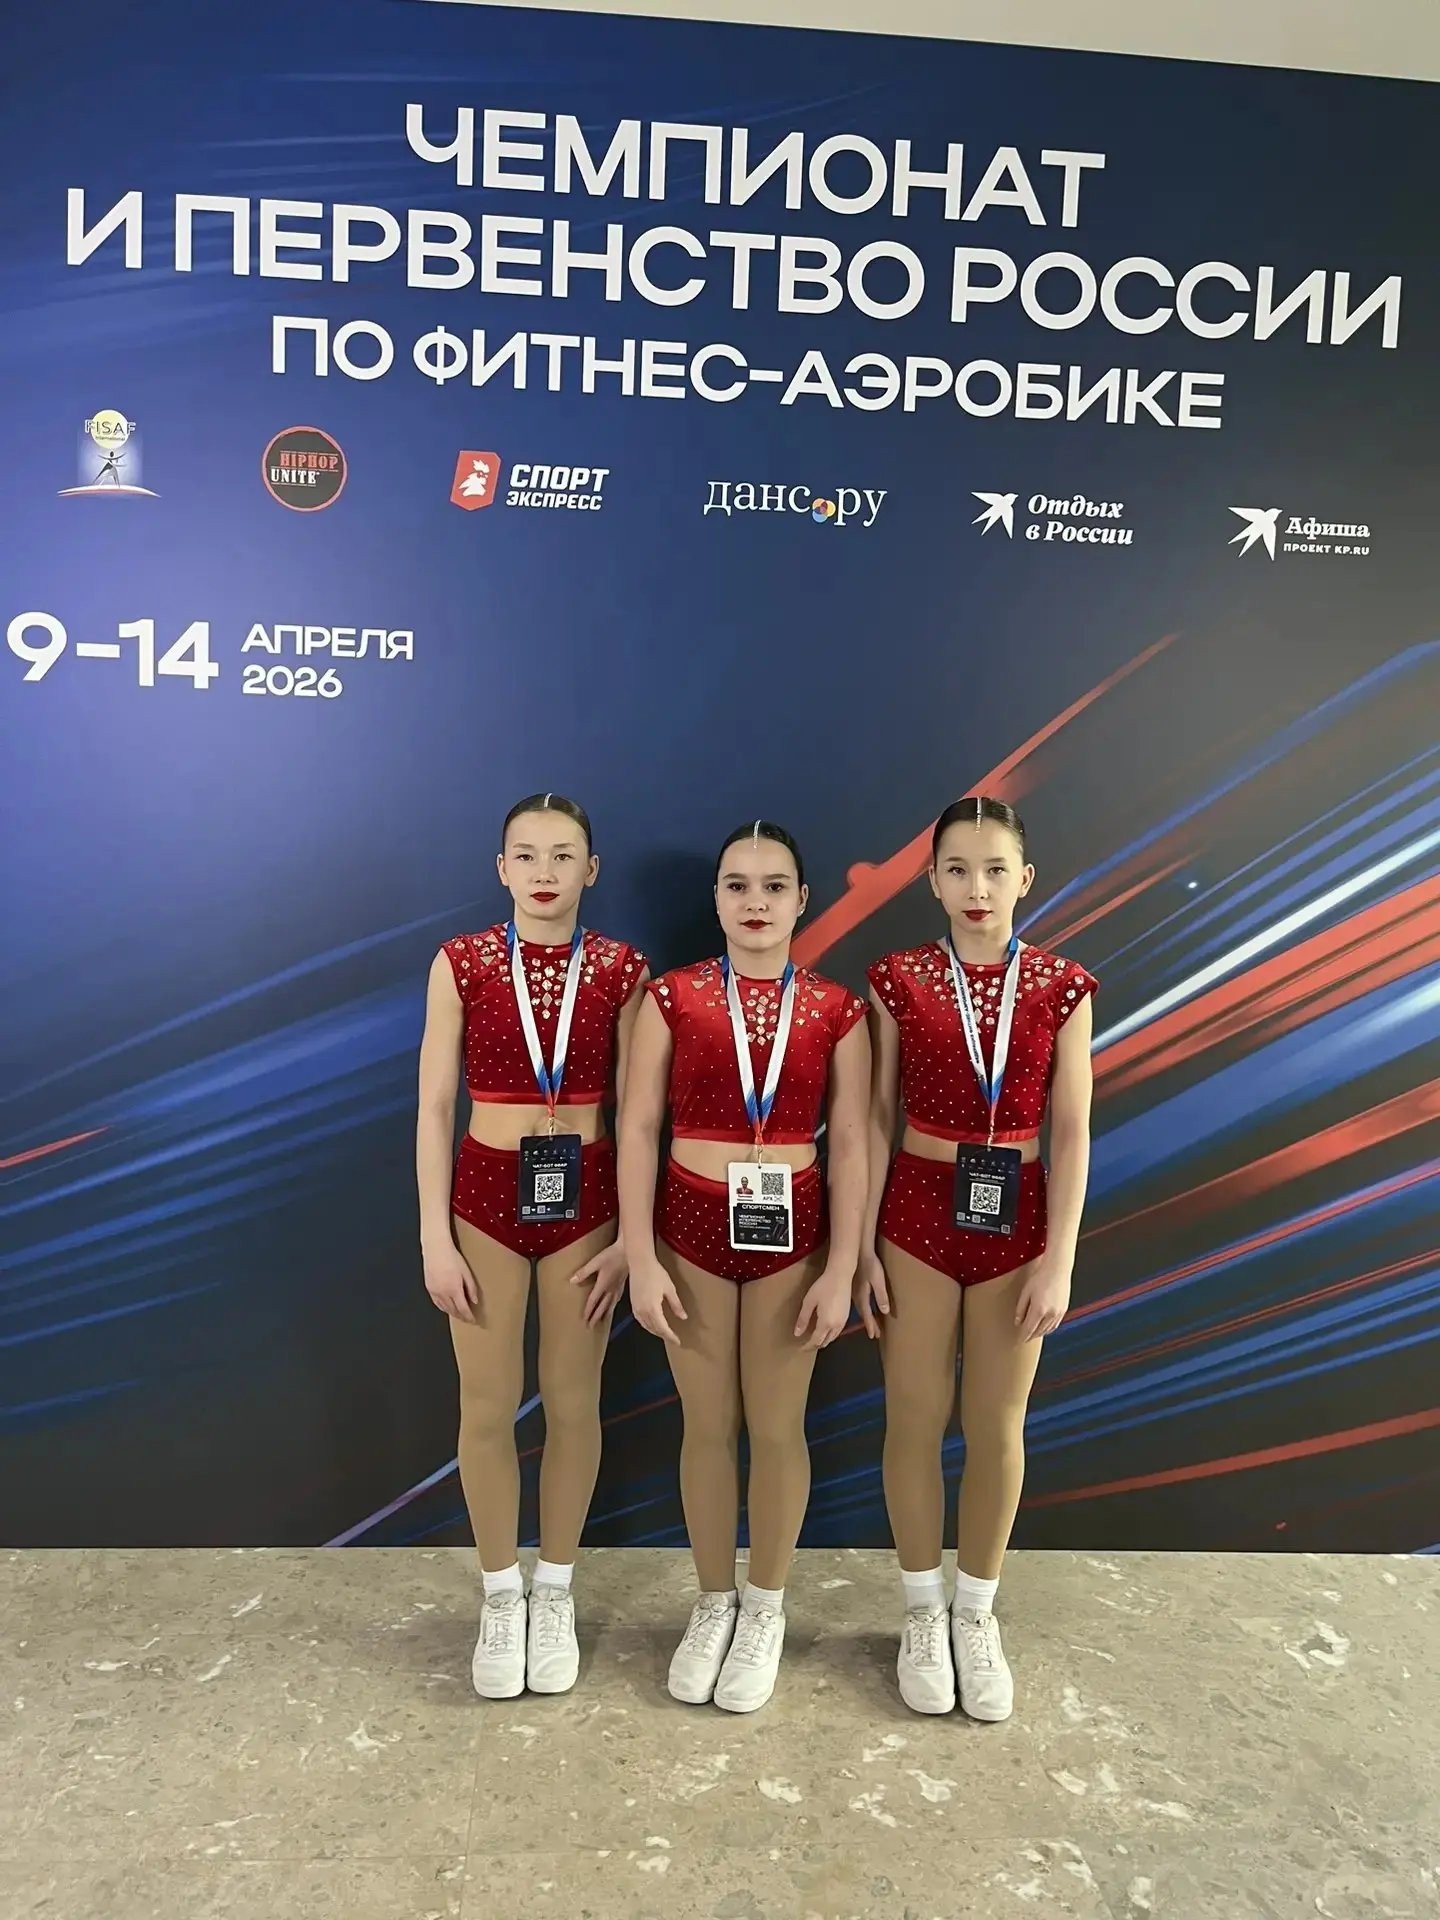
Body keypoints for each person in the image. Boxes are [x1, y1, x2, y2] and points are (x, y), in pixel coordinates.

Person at [619, 821, 870, 1713]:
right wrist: (639, 1256)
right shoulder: (671, 998)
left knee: (776, 1426)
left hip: (791, 1237)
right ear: (716, 899)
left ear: (802, 899)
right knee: (706, 1426)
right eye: (737, 885)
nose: (755, 902)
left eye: (773, 886)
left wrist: (842, 1269)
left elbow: (852, 1142)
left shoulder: (838, 1009)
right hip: (687, 1227)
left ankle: (764, 1607)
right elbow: (637, 1128)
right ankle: (713, 1601)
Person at [857, 796, 1096, 1722]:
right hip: (915, 1213)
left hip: (1019, 1222)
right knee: (914, 1419)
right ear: (932, 880)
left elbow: (1071, 1131)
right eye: (957, 869)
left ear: (1024, 878)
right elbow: (874, 1118)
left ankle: (976, 1611)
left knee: (996, 1424)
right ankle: (923, 1611)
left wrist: (1059, 1258)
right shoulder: (897, 978)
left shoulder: (1064, 984)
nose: (977, 888)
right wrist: (862, 1247)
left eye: (995, 869)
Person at [416, 793, 648, 1699]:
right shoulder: (462, 962)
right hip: (483, 1199)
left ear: (591, 870)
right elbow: (435, 1107)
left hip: (588, 1201)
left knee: (574, 1401)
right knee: (486, 1404)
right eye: (527, 855)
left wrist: (632, 1239)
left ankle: (554, 1588)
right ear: (501, 868)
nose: (544, 873)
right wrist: (435, 1236)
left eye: (563, 856)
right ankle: (501, 1593)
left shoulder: (622, 968)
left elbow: (641, 1115)